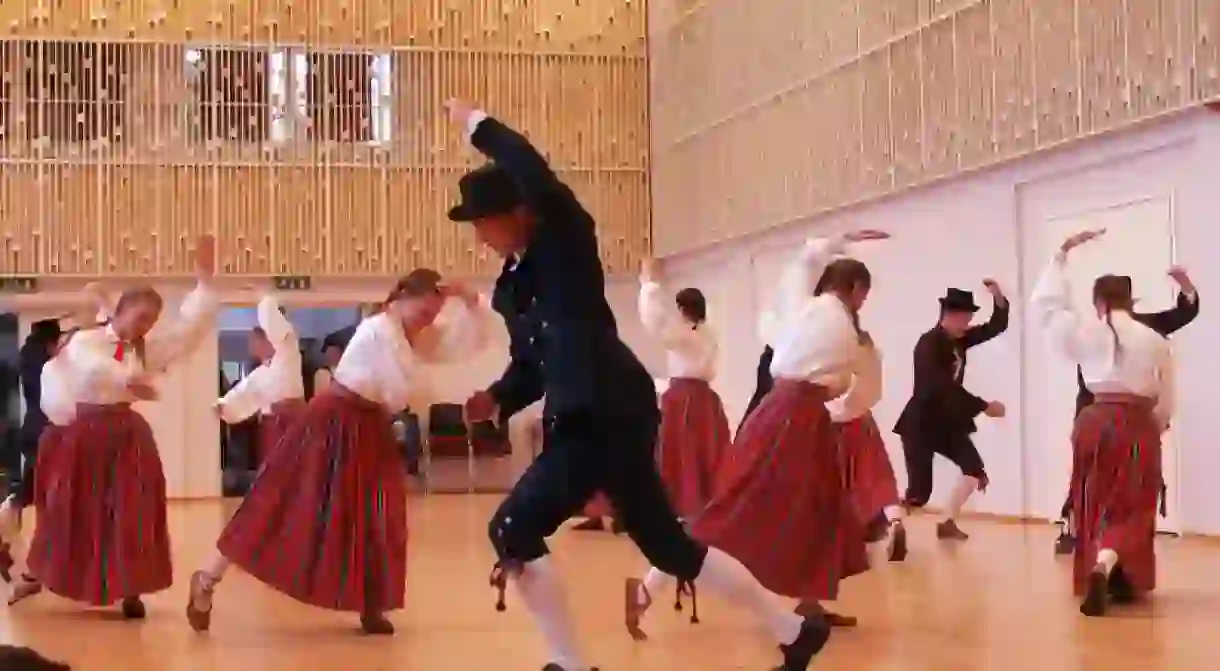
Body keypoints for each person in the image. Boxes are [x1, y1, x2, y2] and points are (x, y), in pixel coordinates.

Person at [445, 98, 832, 671]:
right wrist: (500, 397)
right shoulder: (513, 284)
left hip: (600, 413)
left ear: (519, 210)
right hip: (600, 412)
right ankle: (794, 629)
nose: (480, 235)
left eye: (484, 221)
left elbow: (535, 172)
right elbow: (534, 360)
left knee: (513, 526)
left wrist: (478, 124)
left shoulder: (564, 236)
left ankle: (570, 665)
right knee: (669, 546)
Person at [186, 270, 493, 635]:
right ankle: (207, 577)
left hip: (369, 426)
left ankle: (371, 601)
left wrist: (470, 298)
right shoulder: (378, 329)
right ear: (399, 301)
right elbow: (401, 391)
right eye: (423, 312)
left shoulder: (413, 336)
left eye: (433, 315)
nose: (427, 321)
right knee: (277, 501)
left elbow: (464, 345)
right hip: (332, 421)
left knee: (377, 512)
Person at [625, 233, 887, 637]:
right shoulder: (836, 322)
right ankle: (646, 588)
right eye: (862, 296)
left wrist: (831, 245)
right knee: (730, 512)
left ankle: (810, 603)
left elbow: (801, 271)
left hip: (793, 419)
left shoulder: (811, 311)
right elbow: (856, 386)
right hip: (789, 421)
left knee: (818, 509)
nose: (861, 305)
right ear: (853, 289)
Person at [17, 236, 219, 618]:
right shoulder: (86, 340)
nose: (146, 327)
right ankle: (51, 574)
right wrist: (129, 379)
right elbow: (91, 366)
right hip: (85, 436)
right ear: (121, 311)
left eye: (152, 321)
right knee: (77, 510)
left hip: (129, 437)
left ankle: (131, 589)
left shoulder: (146, 347)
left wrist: (205, 284)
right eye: (141, 318)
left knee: (134, 511)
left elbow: (187, 334)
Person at [1031, 228, 1173, 617]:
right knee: (1133, 503)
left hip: (1092, 421)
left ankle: (1102, 566)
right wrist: (1154, 428)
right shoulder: (1154, 339)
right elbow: (1166, 400)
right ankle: (1108, 566)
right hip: (1135, 422)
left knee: (1094, 498)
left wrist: (1061, 254)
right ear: (1131, 300)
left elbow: (1047, 308)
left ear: (1097, 302)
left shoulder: (1084, 331)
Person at [1053, 268, 1197, 555]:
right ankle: (1076, 529)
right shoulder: (1108, 331)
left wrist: (1186, 287)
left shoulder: (1138, 328)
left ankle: (1104, 540)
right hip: (1098, 410)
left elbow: (1181, 314)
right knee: (1091, 476)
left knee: (1107, 476)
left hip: (1108, 415)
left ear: (1100, 302)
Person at [893, 281, 1009, 540]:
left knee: (973, 470)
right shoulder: (928, 344)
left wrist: (999, 298)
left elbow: (995, 327)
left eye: (970, 317)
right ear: (951, 315)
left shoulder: (960, 339)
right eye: (966, 317)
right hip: (921, 423)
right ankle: (888, 524)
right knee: (919, 493)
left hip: (947, 423)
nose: (969, 322)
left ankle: (946, 522)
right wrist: (984, 406)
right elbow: (943, 387)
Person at [830, 331, 907, 563]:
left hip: (833, 425)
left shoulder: (835, 353)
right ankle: (895, 520)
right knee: (878, 476)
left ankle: (838, 538)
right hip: (863, 422)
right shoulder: (870, 352)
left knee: (838, 480)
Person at [213, 294, 306, 467]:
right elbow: (247, 391)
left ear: (268, 339)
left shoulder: (287, 350)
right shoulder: (264, 371)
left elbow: (276, 325)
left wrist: (264, 297)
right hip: (272, 427)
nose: (252, 346)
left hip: (291, 423)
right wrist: (224, 406)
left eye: (254, 341)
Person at [0, 318, 61, 582]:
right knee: (37, 496)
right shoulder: (43, 362)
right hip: (45, 431)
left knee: (32, 493)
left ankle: (11, 550)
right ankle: (31, 560)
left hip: (35, 429)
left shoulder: (28, 354)